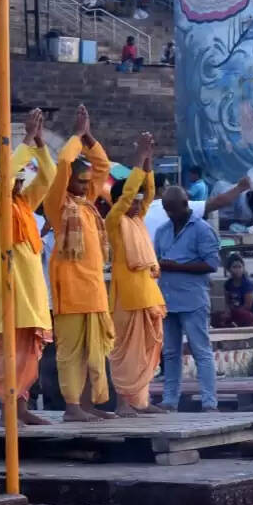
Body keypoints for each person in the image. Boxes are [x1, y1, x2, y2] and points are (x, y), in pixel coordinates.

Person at [0, 109, 55, 425]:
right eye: (15, 178)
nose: (18, 184)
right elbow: (6, 179)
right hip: (9, 287)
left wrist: (39, 144)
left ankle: (22, 409)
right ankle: (7, 411)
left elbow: (49, 178)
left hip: (32, 291)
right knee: (8, 349)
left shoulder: (25, 204)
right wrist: (24, 140)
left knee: (28, 350)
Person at [44, 105, 114, 423]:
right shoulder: (58, 207)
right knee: (70, 353)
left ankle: (87, 405)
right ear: (69, 181)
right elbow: (62, 162)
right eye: (80, 181)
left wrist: (89, 138)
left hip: (95, 290)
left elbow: (102, 166)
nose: (87, 186)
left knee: (94, 353)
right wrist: (74, 137)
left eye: (88, 182)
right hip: (71, 293)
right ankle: (72, 407)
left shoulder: (87, 206)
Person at [105, 134, 166, 417]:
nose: (137, 203)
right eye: (131, 200)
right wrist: (137, 161)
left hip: (149, 293)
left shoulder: (137, 220)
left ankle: (141, 401)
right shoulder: (114, 221)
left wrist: (148, 165)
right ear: (119, 202)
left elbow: (148, 195)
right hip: (127, 297)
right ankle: (122, 403)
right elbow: (128, 193)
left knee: (146, 352)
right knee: (124, 352)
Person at [156, 184, 222, 412]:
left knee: (201, 350)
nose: (170, 214)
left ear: (185, 205)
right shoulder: (162, 231)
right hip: (167, 299)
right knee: (171, 352)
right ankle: (170, 400)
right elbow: (155, 261)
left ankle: (209, 402)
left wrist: (178, 267)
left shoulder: (203, 229)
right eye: (167, 209)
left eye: (173, 209)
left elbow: (211, 264)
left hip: (193, 300)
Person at [219, 253, 253, 327]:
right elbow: (227, 303)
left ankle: (233, 323)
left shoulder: (247, 284)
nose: (238, 270)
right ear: (229, 269)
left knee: (244, 315)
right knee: (216, 316)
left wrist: (233, 312)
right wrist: (227, 312)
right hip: (234, 312)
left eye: (240, 267)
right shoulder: (228, 284)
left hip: (249, 314)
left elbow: (248, 306)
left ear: (243, 268)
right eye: (234, 267)